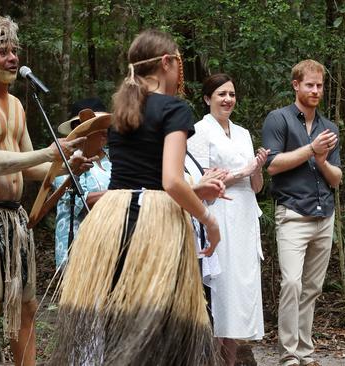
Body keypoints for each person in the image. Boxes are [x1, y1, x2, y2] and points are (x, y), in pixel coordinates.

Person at [49, 29, 220, 365]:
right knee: (154, 327)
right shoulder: (174, 109)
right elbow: (171, 181)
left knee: (118, 320)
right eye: (178, 64)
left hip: (112, 221)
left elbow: (138, 174)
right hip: (152, 225)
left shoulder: (123, 109)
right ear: (168, 63)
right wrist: (209, 221)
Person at [0, 15, 91, 366]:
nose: (13, 58)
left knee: (26, 307)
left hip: (14, 219)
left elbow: (30, 168)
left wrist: (66, 166)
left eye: (15, 51)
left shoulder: (16, 106)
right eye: (3, 52)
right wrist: (49, 152)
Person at [262, 59, 342, 366]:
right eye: (310, 84)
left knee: (312, 288)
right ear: (296, 85)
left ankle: (305, 353)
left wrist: (321, 159)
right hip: (293, 213)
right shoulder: (278, 119)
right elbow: (272, 165)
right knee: (292, 283)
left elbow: (336, 178)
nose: (316, 91)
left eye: (320, 85)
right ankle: (288, 354)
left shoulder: (329, 128)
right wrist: (311, 149)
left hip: (324, 215)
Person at [188, 73, 267, 365]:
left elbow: (256, 186)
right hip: (217, 214)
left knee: (241, 290)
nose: (228, 99)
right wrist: (242, 172)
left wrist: (257, 168)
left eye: (232, 94)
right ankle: (210, 358)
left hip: (245, 215)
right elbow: (200, 181)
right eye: (221, 94)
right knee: (220, 291)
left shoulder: (243, 133)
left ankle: (231, 359)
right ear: (208, 98)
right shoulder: (198, 131)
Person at [52, 98, 111, 269]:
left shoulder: (113, 158)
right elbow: (80, 200)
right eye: (97, 128)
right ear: (81, 131)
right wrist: (121, 194)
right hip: (78, 245)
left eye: (104, 127)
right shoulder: (66, 161)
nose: (104, 133)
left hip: (110, 242)